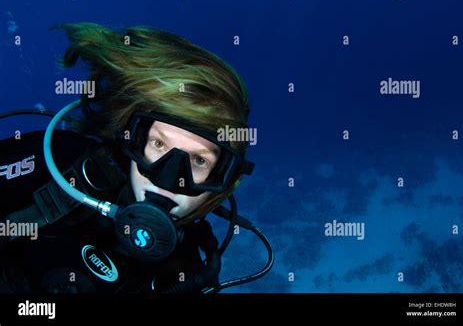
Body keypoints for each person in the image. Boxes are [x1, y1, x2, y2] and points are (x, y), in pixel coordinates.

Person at [0, 23, 272, 293]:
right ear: (131, 137)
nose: (167, 180)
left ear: (222, 179)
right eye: (158, 144)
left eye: (199, 161)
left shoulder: (184, 273)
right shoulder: (58, 162)